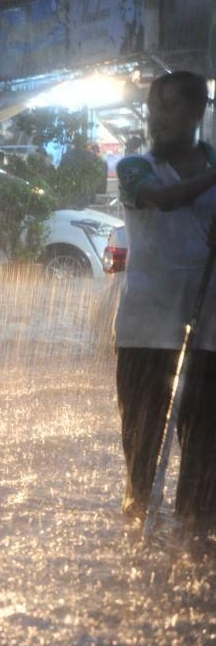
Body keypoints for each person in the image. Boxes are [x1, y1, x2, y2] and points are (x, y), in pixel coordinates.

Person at [114, 70, 216, 532]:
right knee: (142, 466)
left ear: (198, 113)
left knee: (203, 476)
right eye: (154, 108)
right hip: (145, 333)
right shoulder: (135, 168)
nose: (158, 118)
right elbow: (164, 201)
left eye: (170, 107)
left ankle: (191, 566)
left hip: (208, 335)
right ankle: (138, 563)